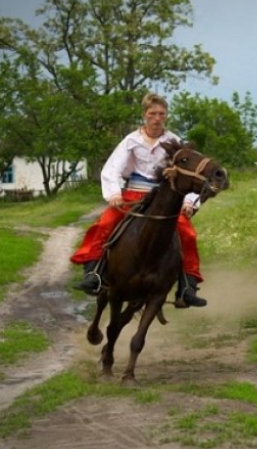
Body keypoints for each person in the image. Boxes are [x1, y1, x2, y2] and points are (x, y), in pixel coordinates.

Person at [71, 92, 207, 308]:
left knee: (187, 233)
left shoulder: (174, 142)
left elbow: (187, 175)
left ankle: (187, 287)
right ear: (145, 115)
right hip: (132, 195)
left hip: (163, 198)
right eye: (152, 113)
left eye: (161, 113)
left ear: (166, 116)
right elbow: (112, 169)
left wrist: (189, 202)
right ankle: (94, 274)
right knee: (105, 223)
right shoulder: (131, 141)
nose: (157, 118)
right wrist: (114, 193)